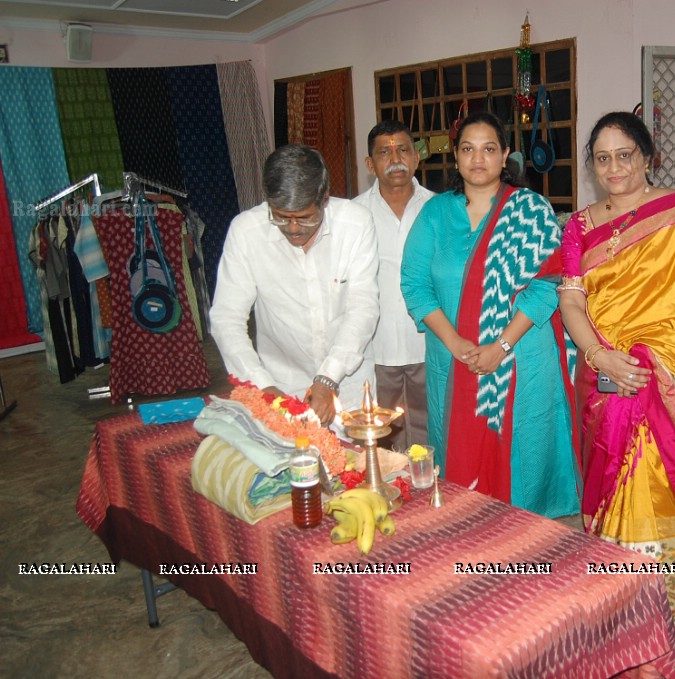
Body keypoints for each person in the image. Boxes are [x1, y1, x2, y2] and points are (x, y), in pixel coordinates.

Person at [558, 112, 675, 670]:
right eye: (602, 158)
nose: (613, 169)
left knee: (653, 494)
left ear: (648, 155)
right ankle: (614, 616)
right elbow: (571, 301)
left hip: (663, 375)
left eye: (624, 155)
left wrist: (648, 364)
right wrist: (602, 356)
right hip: (603, 373)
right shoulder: (580, 225)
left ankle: (660, 624)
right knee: (607, 485)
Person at [400, 111, 578, 518]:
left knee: (522, 454)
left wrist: (500, 345)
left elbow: (548, 283)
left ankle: (527, 542)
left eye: (488, 149)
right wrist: (456, 343)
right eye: (467, 149)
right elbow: (414, 283)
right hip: (454, 357)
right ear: (456, 157)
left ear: (506, 156)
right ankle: (470, 532)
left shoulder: (530, 210)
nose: (477, 159)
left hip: (521, 358)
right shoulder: (435, 213)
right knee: (461, 453)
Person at [210, 144, 379, 423]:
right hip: (280, 384)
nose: (293, 228)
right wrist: (262, 387)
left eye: (305, 217)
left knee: (354, 462)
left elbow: (363, 308)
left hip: (348, 382)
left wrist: (328, 378)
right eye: (281, 217)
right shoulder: (245, 232)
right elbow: (227, 319)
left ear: (325, 199)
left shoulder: (355, 224)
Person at [353, 120, 433, 451]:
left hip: (430, 342)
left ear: (416, 157)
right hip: (376, 344)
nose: (395, 158)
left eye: (402, 149)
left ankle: (433, 491)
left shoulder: (439, 208)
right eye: (384, 152)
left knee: (431, 428)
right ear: (370, 165)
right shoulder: (353, 214)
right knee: (382, 432)